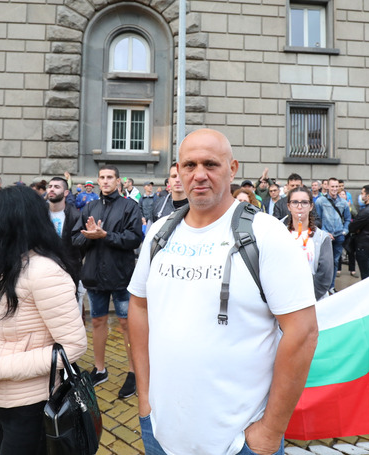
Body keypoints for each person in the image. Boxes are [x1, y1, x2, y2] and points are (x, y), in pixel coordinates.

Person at [129, 129, 318, 455]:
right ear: (178, 170)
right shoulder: (160, 232)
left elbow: (302, 332)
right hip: (160, 432)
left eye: (210, 164)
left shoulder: (266, 234)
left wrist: (271, 430)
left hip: (240, 441)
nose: (199, 174)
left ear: (232, 168)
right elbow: (138, 307)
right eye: (189, 165)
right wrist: (145, 399)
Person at [0, 186, 87, 455]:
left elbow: (73, 347)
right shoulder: (7, 265)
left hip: (33, 403)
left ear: (11, 221)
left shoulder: (45, 272)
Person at [72, 164, 144, 399]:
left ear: (118, 180)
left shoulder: (129, 206)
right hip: (93, 274)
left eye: (109, 177)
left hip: (121, 275)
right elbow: (75, 239)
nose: (105, 181)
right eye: (102, 177)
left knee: (126, 325)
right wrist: (90, 237)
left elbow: (135, 238)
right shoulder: (89, 207)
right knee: (98, 321)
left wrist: (106, 235)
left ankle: (134, 372)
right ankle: (100, 368)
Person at [286, 186, 333, 300]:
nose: (299, 206)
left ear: (311, 206)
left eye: (304, 202)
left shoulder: (322, 238)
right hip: (285, 299)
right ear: (289, 206)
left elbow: (325, 276)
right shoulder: (279, 234)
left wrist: (308, 299)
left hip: (313, 300)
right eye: (295, 202)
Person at [314, 177, 351, 276]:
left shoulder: (343, 203)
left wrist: (344, 231)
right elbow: (317, 219)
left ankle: (332, 286)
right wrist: (324, 232)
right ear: (327, 187)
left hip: (339, 235)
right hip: (326, 236)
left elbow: (348, 219)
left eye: (336, 186)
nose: (334, 189)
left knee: (335, 262)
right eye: (332, 186)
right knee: (324, 262)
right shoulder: (320, 201)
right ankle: (324, 287)